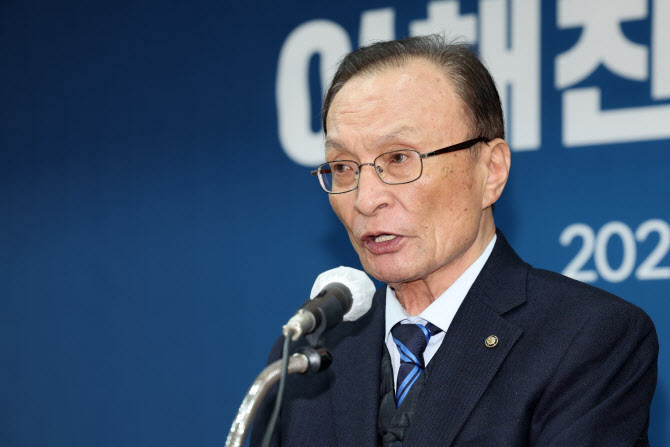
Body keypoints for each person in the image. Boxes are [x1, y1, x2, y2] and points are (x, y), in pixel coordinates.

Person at [251, 35, 658, 446]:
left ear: (491, 170)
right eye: (342, 166)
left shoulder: (586, 337)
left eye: (399, 158)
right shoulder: (307, 357)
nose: (365, 199)